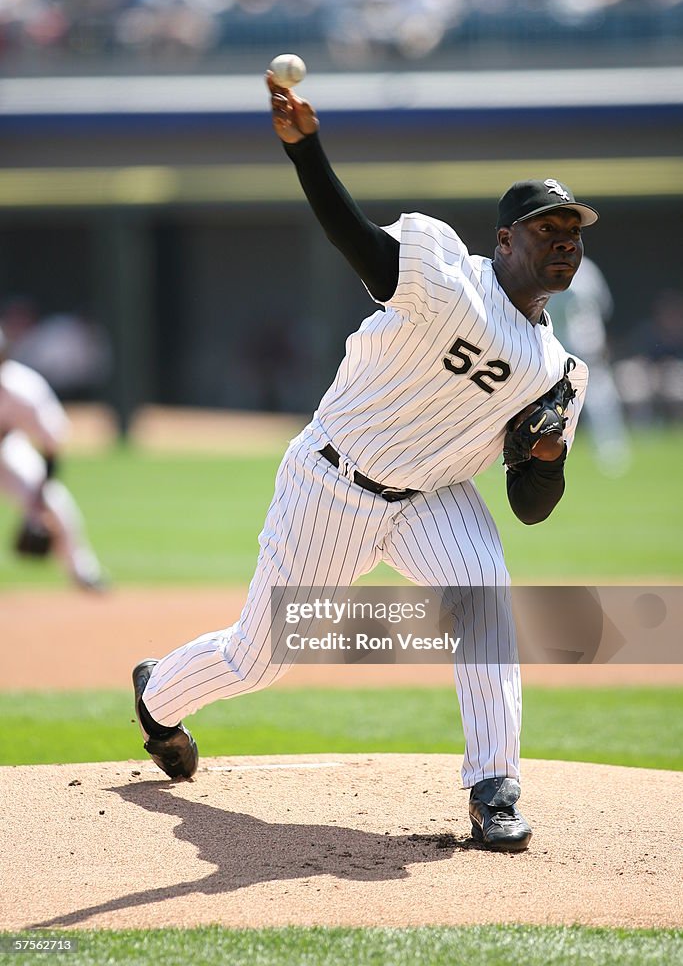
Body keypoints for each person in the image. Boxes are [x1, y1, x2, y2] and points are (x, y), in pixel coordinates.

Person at [132, 70, 598, 852]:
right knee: (260, 656)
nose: (563, 244)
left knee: (483, 598)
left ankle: (493, 788)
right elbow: (359, 242)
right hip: (331, 480)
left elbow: (530, 503)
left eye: (572, 234)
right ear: (506, 240)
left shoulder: (559, 372)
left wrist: (545, 456)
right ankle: (158, 696)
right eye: (546, 230)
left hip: (429, 496)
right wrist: (307, 153)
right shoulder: (449, 283)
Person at [0, 327, 107, 592]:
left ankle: (84, 573)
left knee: (55, 503)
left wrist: (38, 503)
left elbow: (51, 446)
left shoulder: (23, 389)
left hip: (6, 453)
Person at [549, 256, 631, 476]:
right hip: (581, 343)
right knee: (599, 397)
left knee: (598, 398)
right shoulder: (588, 269)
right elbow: (606, 307)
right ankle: (611, 448)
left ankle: (611, 447)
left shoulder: (549, 266)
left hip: (565, 346)